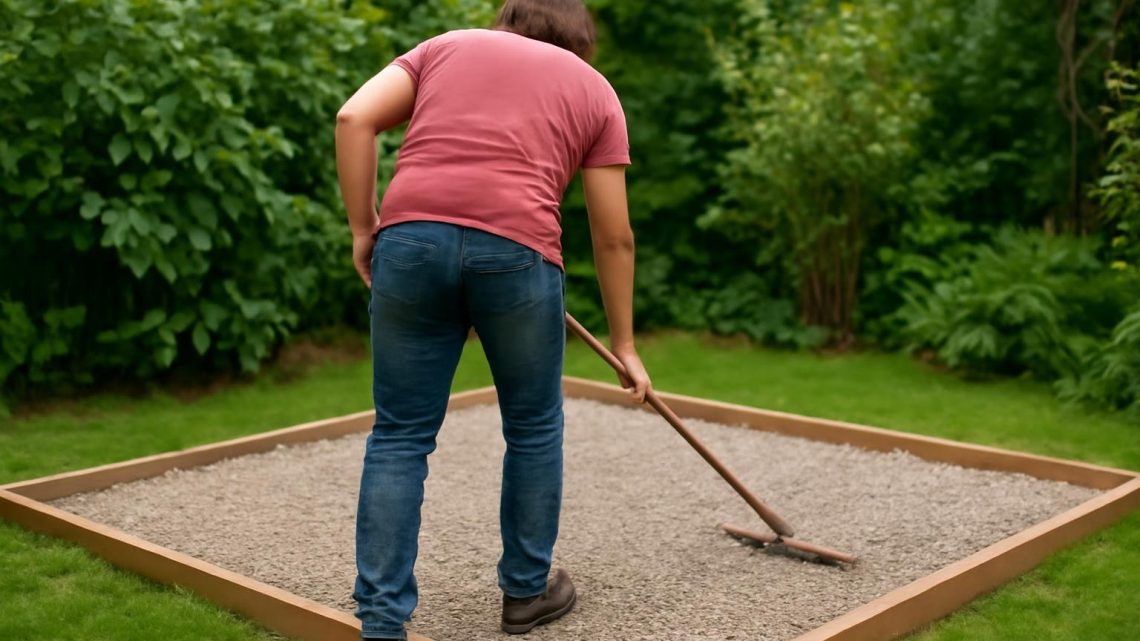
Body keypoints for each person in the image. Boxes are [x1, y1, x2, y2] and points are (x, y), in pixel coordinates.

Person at [335, 1, 651, 638]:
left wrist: (365, 227)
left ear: (506, 17)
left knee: (399, 434)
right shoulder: (595, 90)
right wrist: (624, 343)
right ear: (581, 40)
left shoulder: (445, 47)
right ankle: (527, 593)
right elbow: (613, 236)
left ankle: (381, 619)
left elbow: (353, 117)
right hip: (518, 254)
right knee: (533, 427)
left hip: (411, 242)